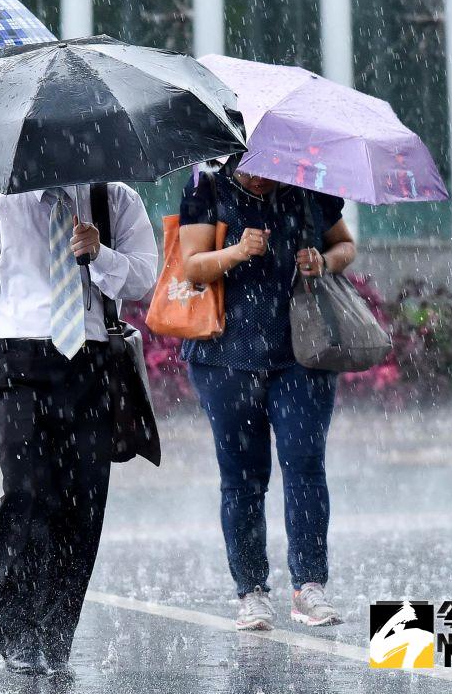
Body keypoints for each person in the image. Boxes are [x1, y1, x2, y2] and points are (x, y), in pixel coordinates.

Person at [0, 183, 157, 676]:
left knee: (83, 507)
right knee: (28, 493)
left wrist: (100, 254)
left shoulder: (115, 199)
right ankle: (16, 631)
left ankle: (55, 638)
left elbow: (144, 277)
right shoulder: (0, 210)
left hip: (92, 365)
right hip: (21, 367)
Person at [178, 167, 356, 631]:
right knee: (242, 476)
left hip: (302, 352)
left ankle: (309, 586)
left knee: (305, 465)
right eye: (248, 167)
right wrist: (237, 251)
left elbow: (345, 245)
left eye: (266, 169)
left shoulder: (308, 185)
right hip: (225, 356)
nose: (257, 178)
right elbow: (191, 265)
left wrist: (323, 261)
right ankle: (251, 592)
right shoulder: (206, 186)